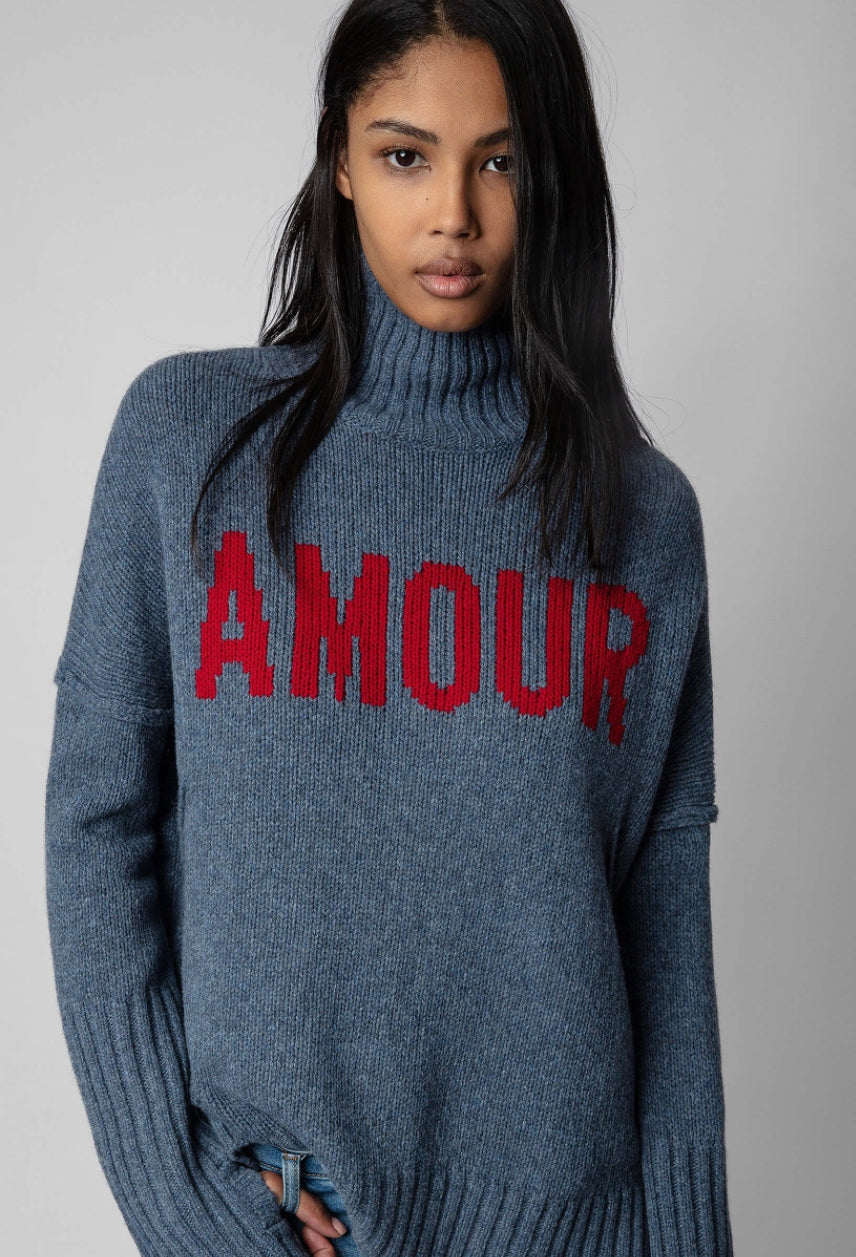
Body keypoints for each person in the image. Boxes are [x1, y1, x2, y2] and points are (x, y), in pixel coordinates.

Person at [44, 2, 735, 1255]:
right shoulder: (189, 446)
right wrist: (184, 1203)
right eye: (406, 154)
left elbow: (663, 929)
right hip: (294, 1220)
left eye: (501, 160)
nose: (453, 214)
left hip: (573, 1230)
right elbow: (96, 826)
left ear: (554, 172)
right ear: (341, 160)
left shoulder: (641, 517)